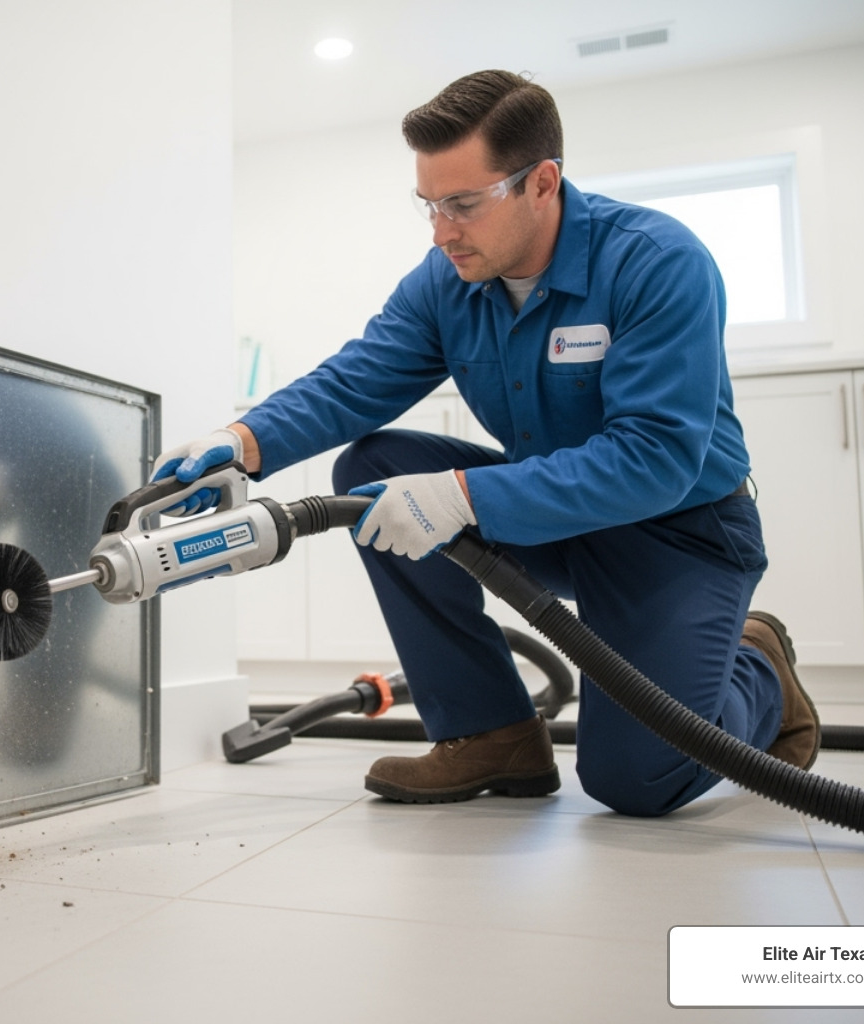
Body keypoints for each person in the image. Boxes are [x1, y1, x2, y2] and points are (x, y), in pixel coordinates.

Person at [154, 69, 819, 816]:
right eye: (430, 206)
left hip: (677, 534)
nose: (441, 232)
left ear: (542, 182)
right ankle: (490, 733)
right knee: (374, 469)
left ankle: (758, 669)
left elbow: (656, 457)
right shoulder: (447, 281)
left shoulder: (655, 262)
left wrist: (463, 496)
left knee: (636, 779)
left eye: (464, 205)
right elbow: (354, 381)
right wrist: (241, 441)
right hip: (556, 524)